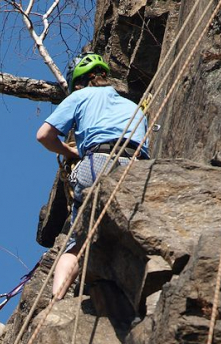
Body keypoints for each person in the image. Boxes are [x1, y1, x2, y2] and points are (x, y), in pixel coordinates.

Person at [36, 53, 149, 300]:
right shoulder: (134, 108)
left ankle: (56, 300)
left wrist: (69, 151)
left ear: (78, 83)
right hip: (139, 170)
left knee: (75, 246)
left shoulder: (80, 96)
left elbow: (44, 135)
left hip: (99, 163)